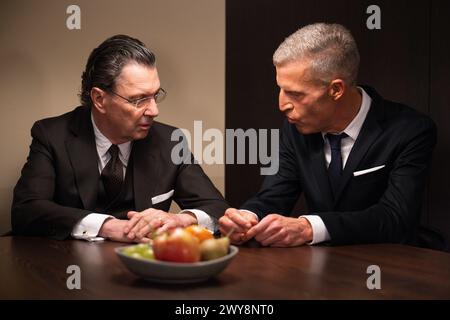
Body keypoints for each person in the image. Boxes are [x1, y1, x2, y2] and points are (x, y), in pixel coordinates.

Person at [219, 23, 441, 248]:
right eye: (280, 88)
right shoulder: (295, 128)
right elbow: (274, 196)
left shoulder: (411, 130)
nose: (282, 104)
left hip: (392, 269)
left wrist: (308, 228)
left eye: (295, 94)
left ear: (336, 90)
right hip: (319, 270)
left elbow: (396, 218)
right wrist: (246, 217)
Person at [11, 35, 228, 243]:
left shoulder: (170, 141)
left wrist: (180, 219)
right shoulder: (52, 135)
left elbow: (217, 207)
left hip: (143, 270)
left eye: (155, 95)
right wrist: (108, 226)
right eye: (139, 99)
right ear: (99, 99)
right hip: (66, 269)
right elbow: (27, 210)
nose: (154, 110)